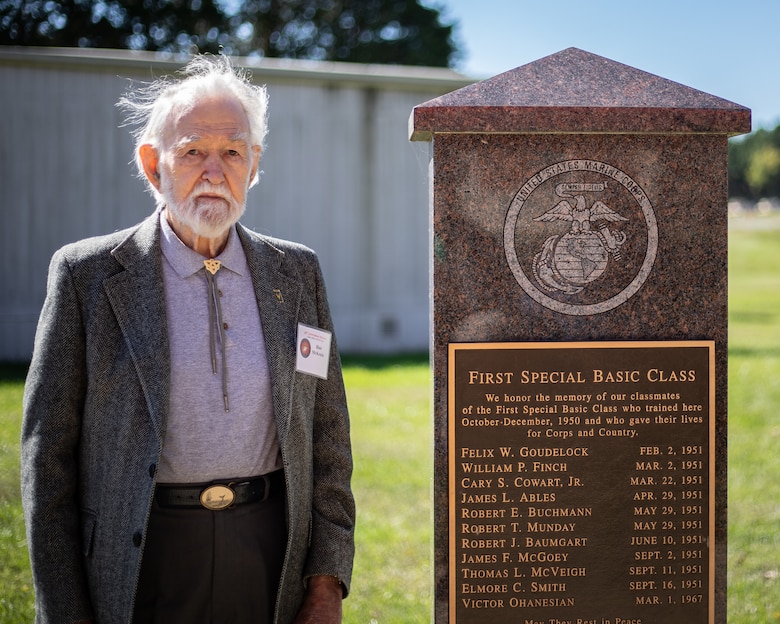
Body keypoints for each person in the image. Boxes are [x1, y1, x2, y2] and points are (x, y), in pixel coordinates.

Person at [21, 55, 355, 624]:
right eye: (193, 150)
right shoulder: (88, 277)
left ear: (253, 166)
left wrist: (325, 584)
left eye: (233, 152)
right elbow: (46, 462)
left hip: (268, 561)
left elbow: (328, 440)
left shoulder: (296, 275)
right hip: (142, 560)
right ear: (153, 165)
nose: (214, 170)